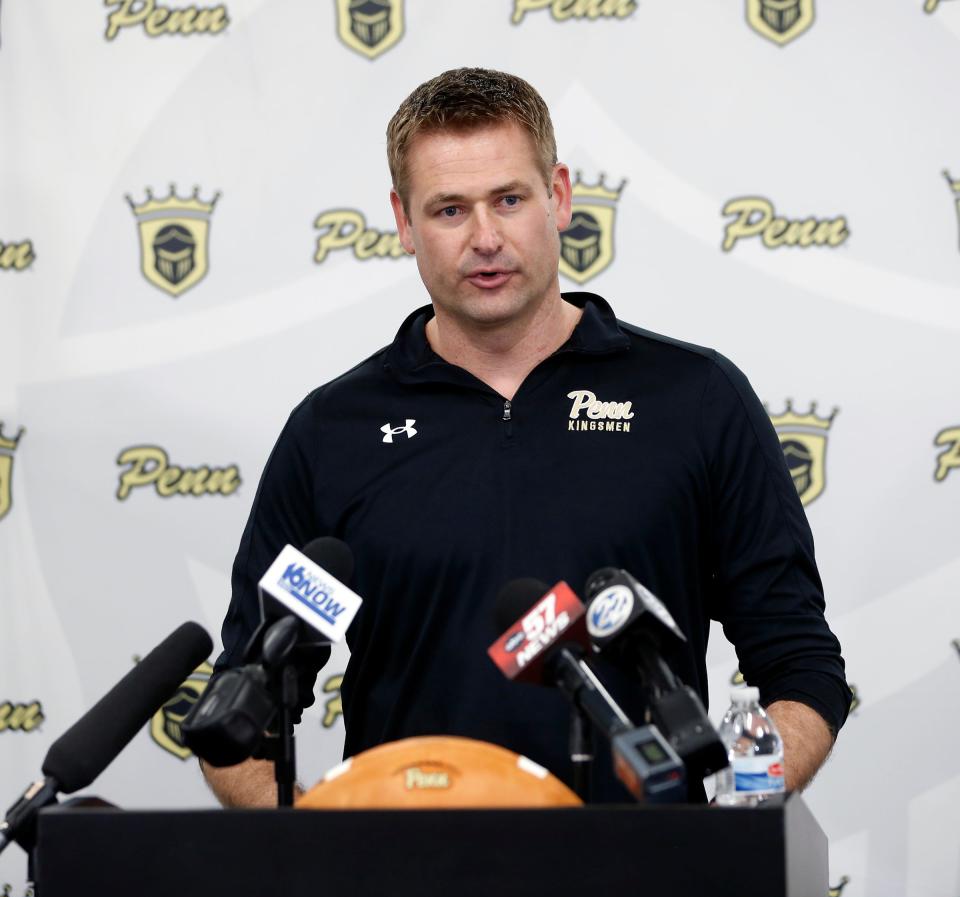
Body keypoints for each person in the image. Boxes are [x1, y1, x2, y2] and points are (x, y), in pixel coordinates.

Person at [202, 67, 851, 807]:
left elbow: (801, 671)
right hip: (406, 874)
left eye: (509, 200)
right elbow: (243, 708)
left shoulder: (694, 400)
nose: (485, 238)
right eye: (449, 210)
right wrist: (318, 851)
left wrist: (724, 828)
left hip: (645, 875)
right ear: (403, 221)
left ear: (560, 196)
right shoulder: (334, 433)